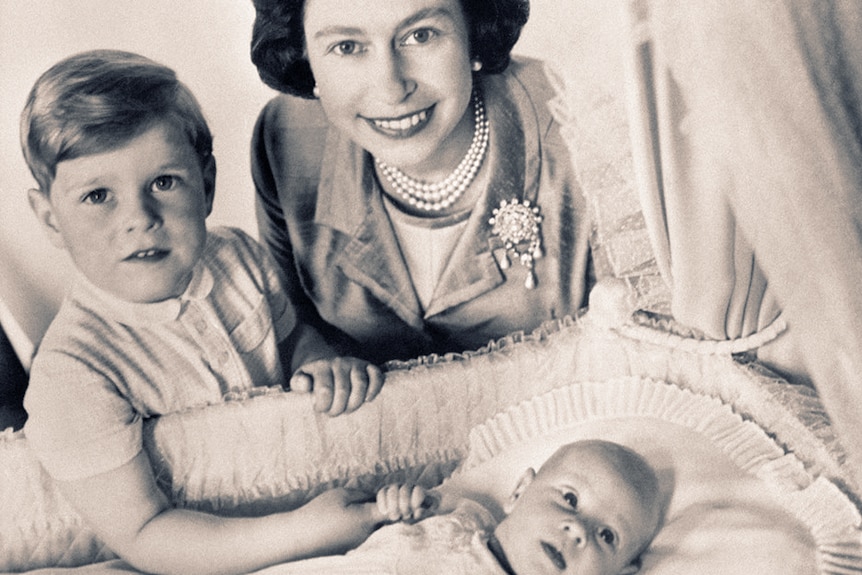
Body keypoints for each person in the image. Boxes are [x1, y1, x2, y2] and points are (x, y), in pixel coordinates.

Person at [20, 49, 387, 575]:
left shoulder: (237, 257)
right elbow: (145, 535)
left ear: (207, 183)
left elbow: (290, 340)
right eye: (98, 195)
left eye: (164, 183)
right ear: (50, 218)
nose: (139, 219)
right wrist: (304, 530)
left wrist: (318, 359)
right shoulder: (73, 373)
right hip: (198, 557)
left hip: (313, 505)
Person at [248, 0, 593, 363]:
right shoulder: (286, 139)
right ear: (304, 52)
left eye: (420, 35)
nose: (391, 89)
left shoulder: (581, 128)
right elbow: (295, 333)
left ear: (473, 31)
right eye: (347, 47)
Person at [271, 439, 663, 575]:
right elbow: (388, 520)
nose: (578, 529)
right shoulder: (462, 514)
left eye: (607, 535)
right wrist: (393, 506)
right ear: (520, 490)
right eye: (570, 499)